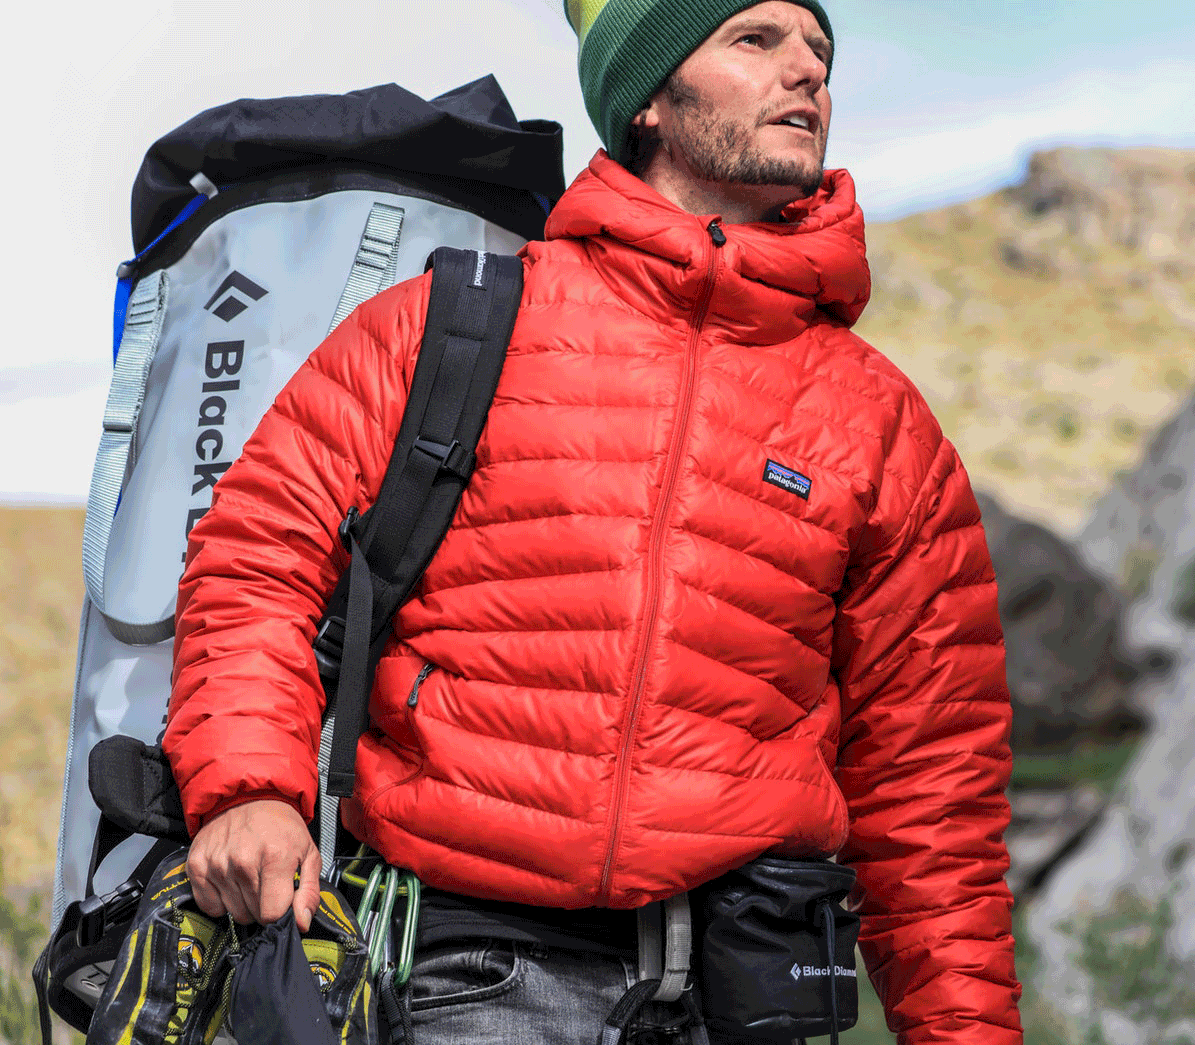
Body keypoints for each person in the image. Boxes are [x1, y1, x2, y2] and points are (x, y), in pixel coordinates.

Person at [164, 1, 1024, 1042]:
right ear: (651, 98)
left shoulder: (877, 418)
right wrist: (249, 787)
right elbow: (257, 555)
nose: (807, 72)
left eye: (819, 52)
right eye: (755, 41)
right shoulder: (450, 326)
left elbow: (931, 784)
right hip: (467, 980)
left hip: (748, 999)